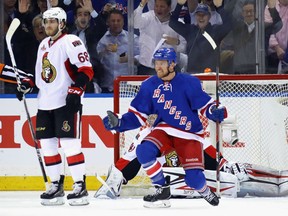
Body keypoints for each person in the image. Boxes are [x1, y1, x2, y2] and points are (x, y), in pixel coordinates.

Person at [102, 47, 228, 207]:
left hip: (189, 134)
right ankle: (162, 188)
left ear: (172, 64)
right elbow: (137, 115)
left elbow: (206, 105)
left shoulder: (189, 82)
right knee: (143, 151)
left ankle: (204, 190)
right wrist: (119, 122)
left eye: (162, 63)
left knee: (194, 179)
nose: (158, 67)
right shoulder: (149, 85)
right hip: (163, 130)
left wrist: (215, 111)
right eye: (156, 63)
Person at [15, 7, 94, 206]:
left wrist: (77, 90)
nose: (48, 25)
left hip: (65, 101)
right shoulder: (43, 44)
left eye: (52, 22)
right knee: (48, 145)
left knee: (69, 144)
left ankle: (79, 185)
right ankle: (56, 185)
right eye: (46, 22)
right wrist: (27, 85)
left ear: (61, 24)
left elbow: (86, 70)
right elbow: (41, 74)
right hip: (45, 102)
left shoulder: (71, 41)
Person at [95, 114, 246, 199]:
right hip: (168, 187)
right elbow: (127, 161)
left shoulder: (184, 130)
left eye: (156, 114)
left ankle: (228, 170)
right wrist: (116, 177)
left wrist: (224, 164)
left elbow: (207, 149)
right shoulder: (144, 135)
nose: (153, 118)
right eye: (150, 115)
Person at [169, 0, 233, 73]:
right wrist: (179, 5)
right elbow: (172, 23)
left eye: (204, 15)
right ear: (195, 16)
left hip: (211, 75)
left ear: (209, 16)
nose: (201, 17)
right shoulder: (189, 30)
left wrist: (220, 7)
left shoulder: (216, 31)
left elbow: (229, 25)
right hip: (192, 75)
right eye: (199, 14)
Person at [134, 0, 187, 75]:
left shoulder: (178, 23)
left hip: (169, 69)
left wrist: (176, 42)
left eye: (162, 6)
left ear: (169, 8)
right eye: (156, 6)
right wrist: (142, 4)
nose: (158, 9)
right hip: (146, 68)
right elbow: (135, 23)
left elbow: (184, 48)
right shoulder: (147, 17)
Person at [96, 9, 140, 93]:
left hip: (129, 87)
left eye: (118, 20)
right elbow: (96, 60)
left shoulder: (132, 38)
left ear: (123, 22)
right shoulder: (102, 40)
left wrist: (130, 59)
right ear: (108, 23)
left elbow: (142, 58)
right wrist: (105, 51)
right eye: (113, 21)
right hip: (107, 87)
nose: (116, 23)